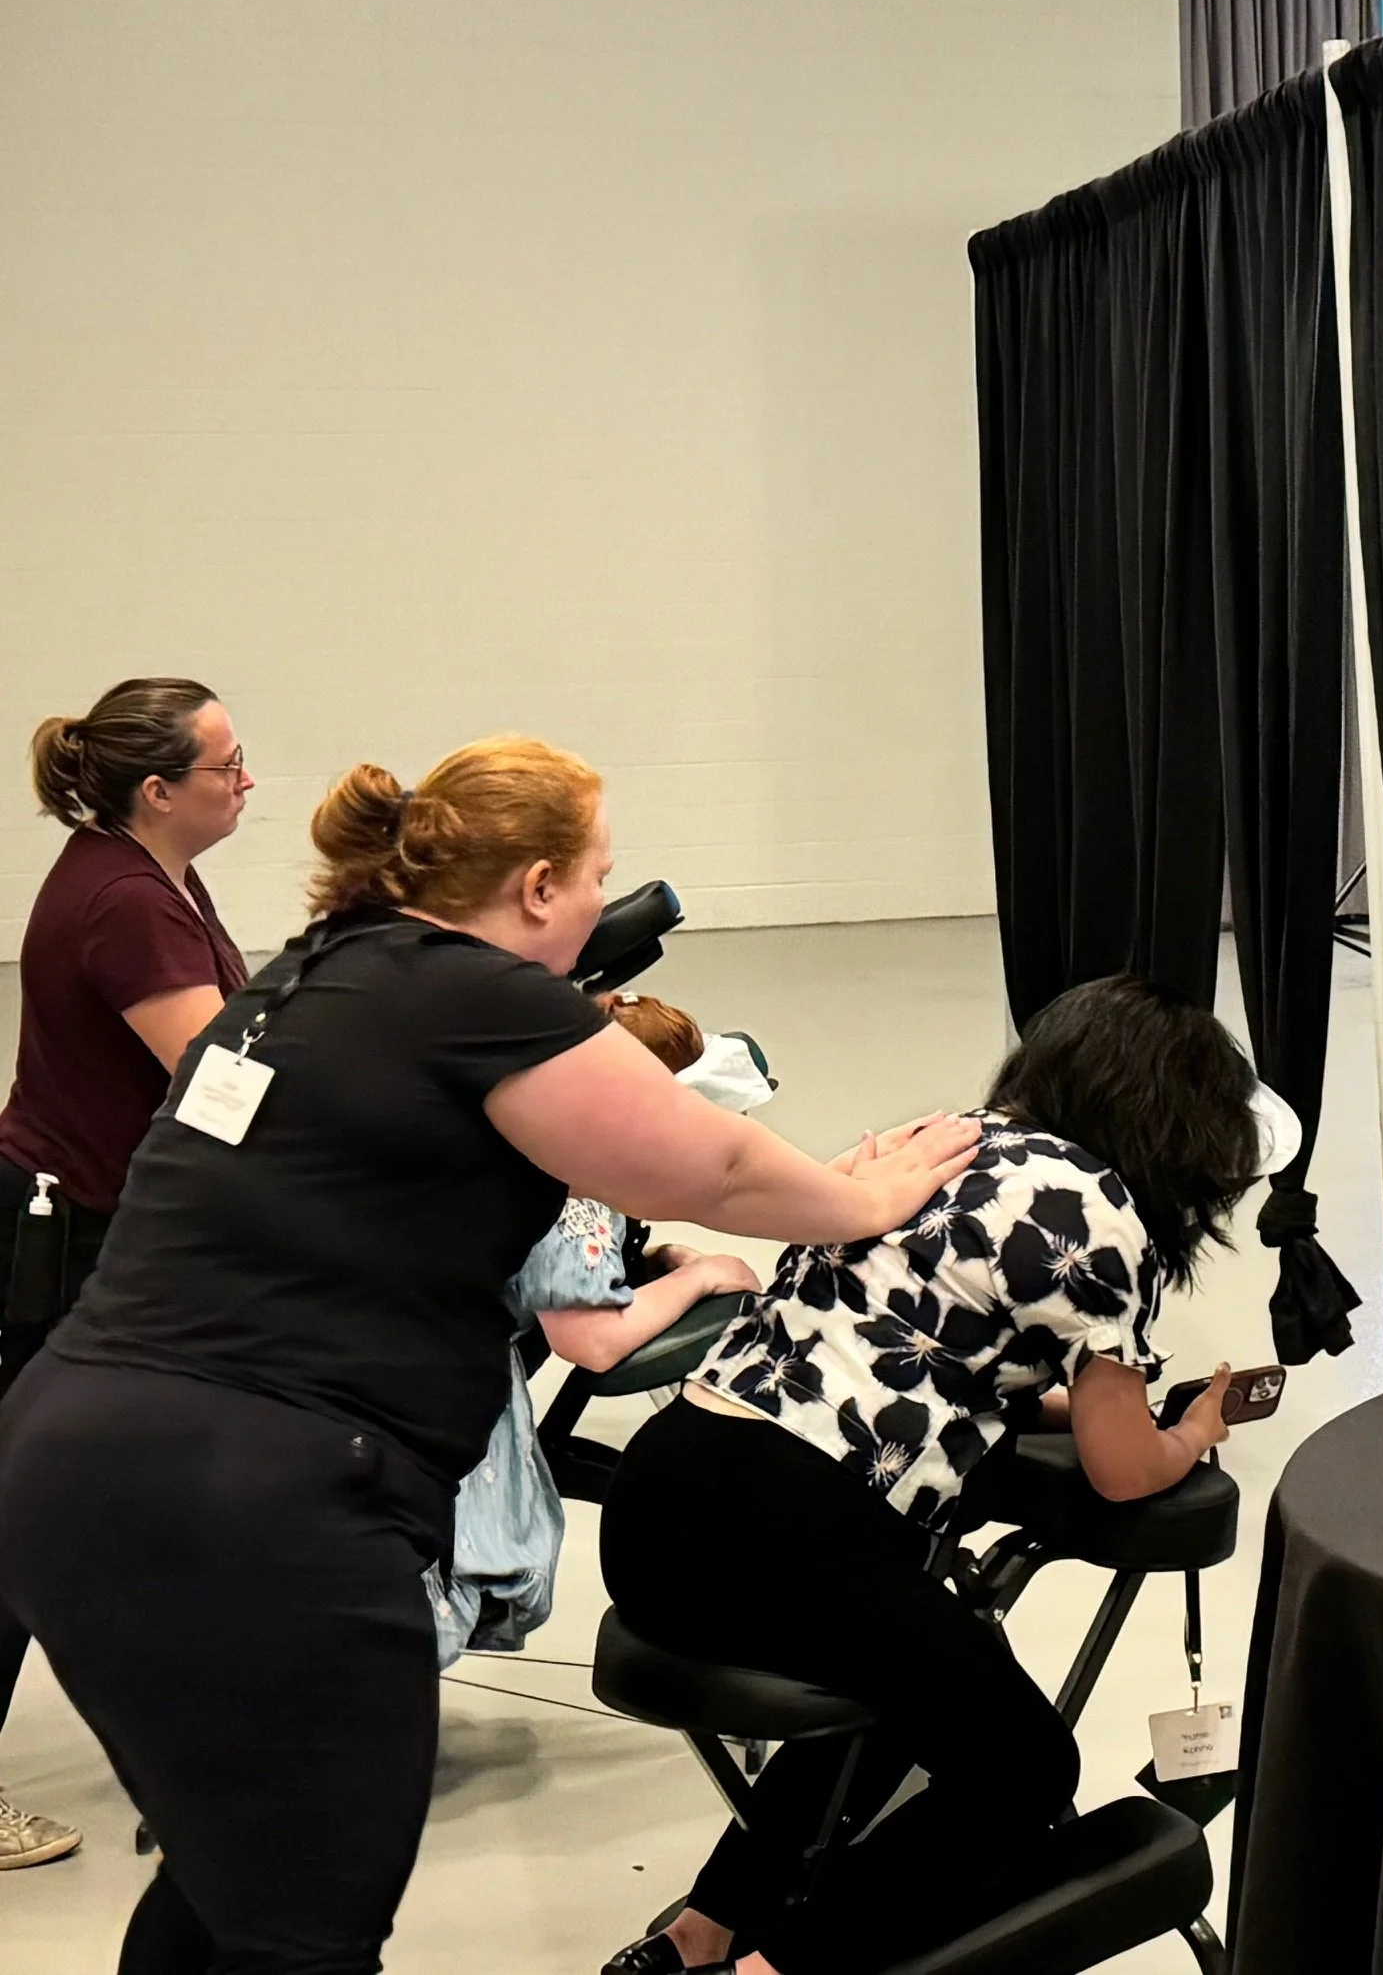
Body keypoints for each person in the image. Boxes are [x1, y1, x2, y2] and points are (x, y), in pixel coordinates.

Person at [0, 735, 978, 1975]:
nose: (594, 903)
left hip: (65, 1459)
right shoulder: (483, 993)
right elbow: (709, 1163)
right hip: (258, 1499)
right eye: (595, 876)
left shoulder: (307, 978)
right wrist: (862, 1199)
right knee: (306, 1926)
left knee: (229, 1888)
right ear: (535, 889)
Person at [598, 972, 1263, 1975]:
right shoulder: (1106, 1218)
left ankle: (696, 1938)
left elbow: (927, 1347)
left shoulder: (942, 1141)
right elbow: (1124, 1469)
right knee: (1024, 1767)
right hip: (782, 1527)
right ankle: (775, 1969)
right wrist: (1196, 1428)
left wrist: (1072, 1401)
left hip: (662, 1492)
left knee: (913, 1700)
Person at [0, 677, 253, 1875]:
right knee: (22, 1521)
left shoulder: (147, 873)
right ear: (161, 790)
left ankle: (191, 1748)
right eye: (227, 765)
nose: (246, 780)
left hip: (91, 1226)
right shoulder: (127, 906)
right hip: (61, 1244)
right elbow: (221, 1086)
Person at [431, 992, 766, 1667]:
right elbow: (589, 1338)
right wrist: (699, 1278)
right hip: (434, 1377)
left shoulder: (522, 1130)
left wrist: (649, 1261)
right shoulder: (581, 1186)